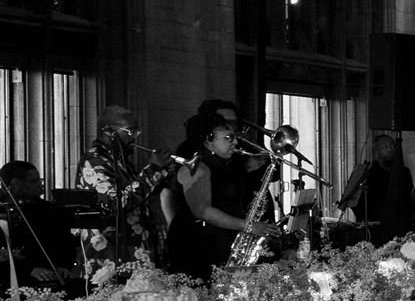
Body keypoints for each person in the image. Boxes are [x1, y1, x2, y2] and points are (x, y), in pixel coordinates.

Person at [166, 114, 276, 278]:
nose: (235, 142)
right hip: (198, 247)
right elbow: (202, 211)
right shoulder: (198, 167)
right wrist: (248, 226)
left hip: (218, 242)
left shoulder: (225, 165)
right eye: (228, 138)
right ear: (208, 139)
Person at [77, 104, 175, 265]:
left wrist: (163, 174)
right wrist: (152, 169)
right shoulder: (95, 161)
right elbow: (116, 203)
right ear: (109, 131)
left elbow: (138, 198)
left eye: (137, 131)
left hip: (133, 250)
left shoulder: (119, 161)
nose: (135, 137)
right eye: (130, 131)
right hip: (109, 255)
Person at [1, 160, 84, 294]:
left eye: (39, 180)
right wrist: (29, 269)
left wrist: (62, 266)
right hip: (14, 281)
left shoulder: (49, 209)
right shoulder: (3, 212)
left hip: (51, 277)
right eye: (33, 181)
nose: (40, 185)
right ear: (15, 184)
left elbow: (64, 242)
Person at [337, 134, 415, 245]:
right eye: (385, 147)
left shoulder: (404, 172)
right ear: (376, 152)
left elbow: (407, 198)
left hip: (399, 225)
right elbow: (355, 201)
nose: (390, 150)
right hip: (374, 227)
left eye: (392, 146)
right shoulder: (369, 172)